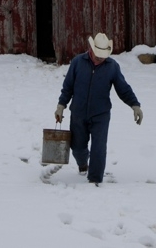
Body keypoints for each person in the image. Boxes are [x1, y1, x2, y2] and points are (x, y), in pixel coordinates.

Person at [55, 32, 142, 185]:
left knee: (99, 149)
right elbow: (67, 87)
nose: (100, 58)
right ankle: (83, 163)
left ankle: (95, 179)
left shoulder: (112, 67)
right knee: (77, 147)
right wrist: (61, 106)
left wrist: (135, 105)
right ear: (91, 49)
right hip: (78, 113)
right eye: (97, 55)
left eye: (103, 56)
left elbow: (123, 89)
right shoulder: (77, 62)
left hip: (100, 114)